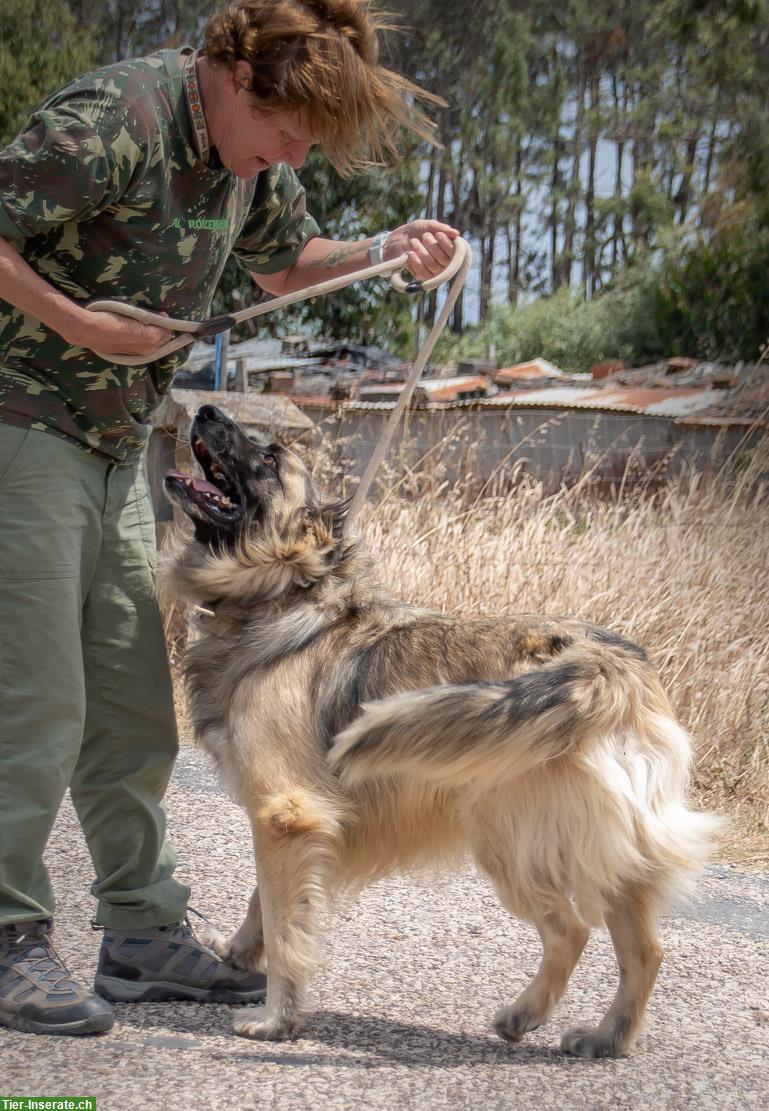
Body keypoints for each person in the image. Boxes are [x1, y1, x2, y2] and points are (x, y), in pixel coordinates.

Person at [0, 0, 460, 1036]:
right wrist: (77, 321)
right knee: (34, 697)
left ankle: (138, 933)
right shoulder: (111, 120)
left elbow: (286, 265)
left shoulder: (245, 163)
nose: (292, 157)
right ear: (238, 81)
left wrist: (390, 247)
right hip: (16, 415)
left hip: (115, 440)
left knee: (127, 702)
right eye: (290, 135)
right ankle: (9, 937)